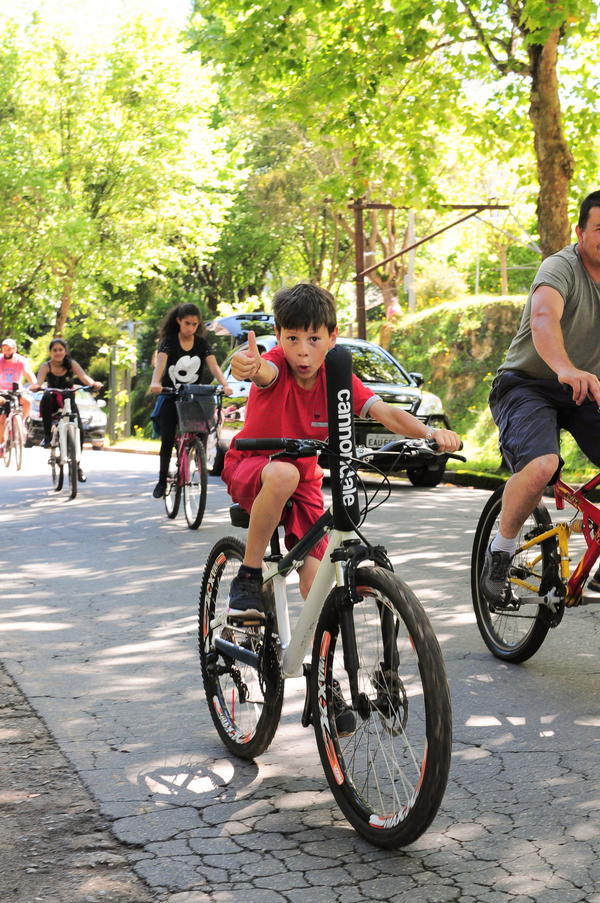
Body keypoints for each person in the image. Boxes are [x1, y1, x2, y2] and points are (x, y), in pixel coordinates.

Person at [222, 282, 461, 622]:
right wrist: (246, 366)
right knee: (284, 472)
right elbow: (262, 372)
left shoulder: (337, 376)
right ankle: (248, 574)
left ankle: (319, 666)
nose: (303, 351)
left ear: (332, 336)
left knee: (317, 583)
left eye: (314, 339)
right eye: (292, 339)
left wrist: (431, 433)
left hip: (304, 481)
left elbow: (387, 413)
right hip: (255, 465)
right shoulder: (275, 363)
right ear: (278, 336)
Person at [482, 189, 600, 603]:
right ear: (580, 232)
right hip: (527, 384)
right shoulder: (560, 267)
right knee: (541, 465)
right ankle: (500, 553)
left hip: (587, 388)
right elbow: (543, 318)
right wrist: (564, 368)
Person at [149, 302, 233, 499]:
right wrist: (155, 382)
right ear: (178, 321)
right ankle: (162, 481)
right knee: (168, 438)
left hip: (193, 397)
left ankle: (196, 456)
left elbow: (213, 366)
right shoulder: (169, 342)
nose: (191, 328)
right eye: (187, 323)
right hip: (171, 394)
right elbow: (160, 365)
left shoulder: (202, 344)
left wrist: (225, 384)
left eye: (195, 324)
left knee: (202, 430)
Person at [31, 338, 103, 483]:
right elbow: (39, 382)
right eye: (54, 350)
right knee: (46, 397)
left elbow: (84, 377)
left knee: (80, 431)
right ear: (50, 352)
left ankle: (77, 466)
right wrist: (35, 386)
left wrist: (93, 383)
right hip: (53, 398)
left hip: (68, 399)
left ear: (65, 351)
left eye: (60, 350)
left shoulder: (71, 364)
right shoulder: (46, 366)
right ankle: (47, 436)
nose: (58, 353)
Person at [0, 338, 36, 457]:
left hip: (17, 390)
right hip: (2, 391)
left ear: (15, 349)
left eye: (9, 348)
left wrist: (35, 385)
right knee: (2, 418)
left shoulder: (21, 361)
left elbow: (29, 374)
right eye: (4, 348)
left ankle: (22, 422)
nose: (7, 350)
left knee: (28, 401)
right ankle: (2, 443)